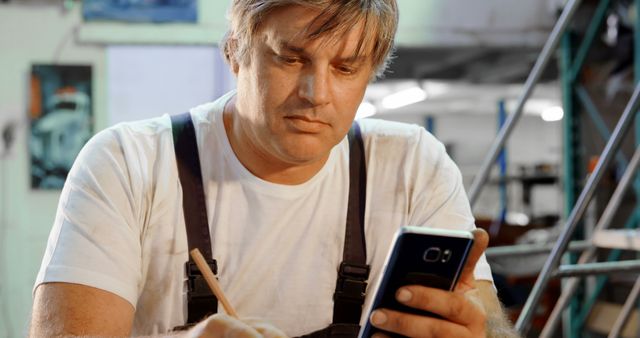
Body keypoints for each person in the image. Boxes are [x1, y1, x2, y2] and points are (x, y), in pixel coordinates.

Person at [30, 1, 520, 337]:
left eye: (346, 68)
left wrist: (476, 327)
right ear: (235, 54)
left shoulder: (414, 165)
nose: (316, 93)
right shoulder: (128, 164)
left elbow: (488, 321)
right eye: (291, 58)